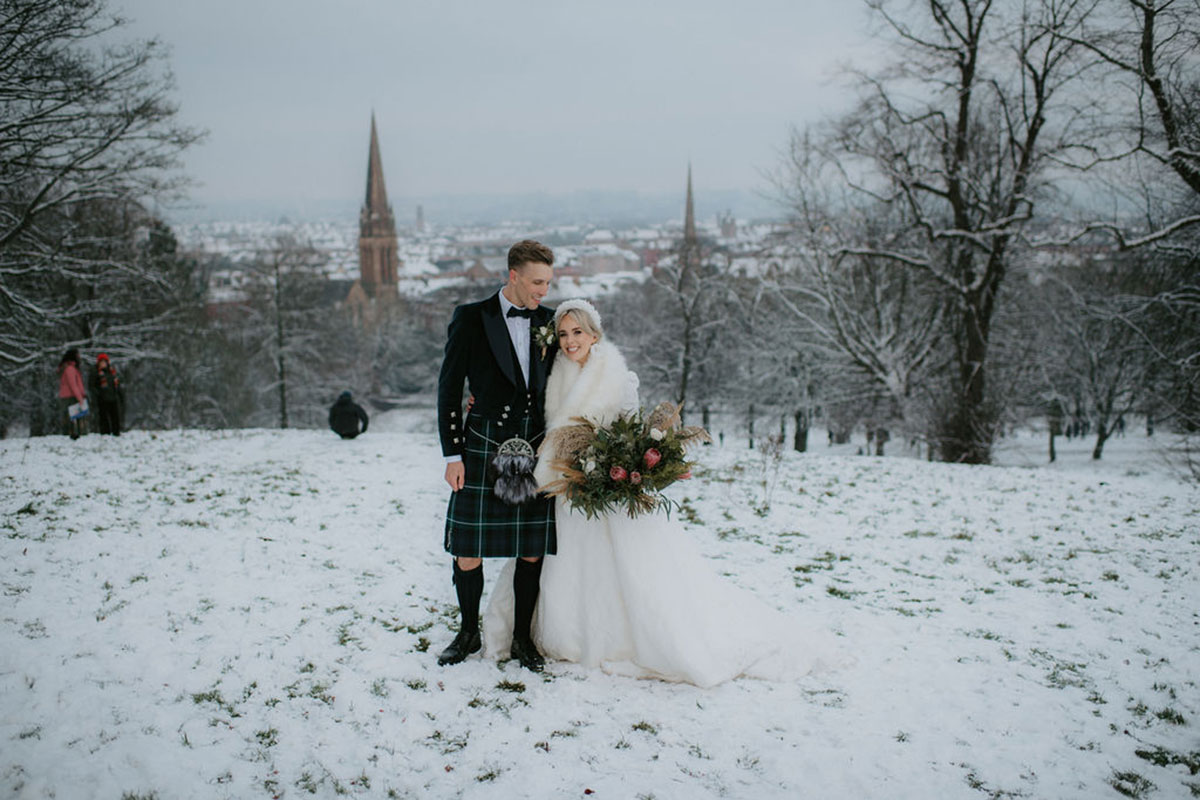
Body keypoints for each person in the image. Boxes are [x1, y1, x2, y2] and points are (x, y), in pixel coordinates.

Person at [483, 299, 841, 687]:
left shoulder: (617, 376)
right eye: (565, 333)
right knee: (559, 558)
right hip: (560, 485)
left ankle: (618, 636)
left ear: (594, 335)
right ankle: (554, 633)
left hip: (602, 488)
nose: (571, 341)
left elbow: (629, 430)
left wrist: (615, 467)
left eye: (578, 333)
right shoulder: (552, 374)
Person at [436, 239, 558, 672]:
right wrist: (453, 454)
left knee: (532, 550)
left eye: (548, 281)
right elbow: (449, 388)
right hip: (483, 443)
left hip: (536, 446)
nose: (544, 290)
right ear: (513, 276)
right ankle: (468, 631)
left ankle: (523, 638)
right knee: (467, 548)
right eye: (537, 281)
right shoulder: (471, 318)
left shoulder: (551, 322)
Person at [89, 353, 125, 435]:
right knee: (103, 417)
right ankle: (105, 432)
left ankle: (116, 431)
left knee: (115, 416)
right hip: (102, 398)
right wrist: (97, 394)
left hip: (113, 397)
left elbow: (116, 384)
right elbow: (92, 385)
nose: (103, 364)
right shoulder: (96, 372)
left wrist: (119, 394)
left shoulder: (112, 372)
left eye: (104, 362)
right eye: (101, 362)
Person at [57, 348, 87, 439]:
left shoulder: (69, 368)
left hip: (68, 396)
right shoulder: (70, 369)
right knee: (72, 418)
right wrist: (80, 398)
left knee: (69, 418)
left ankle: (71, 434)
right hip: (70, 396)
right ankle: (72, 435)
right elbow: (73, 385)